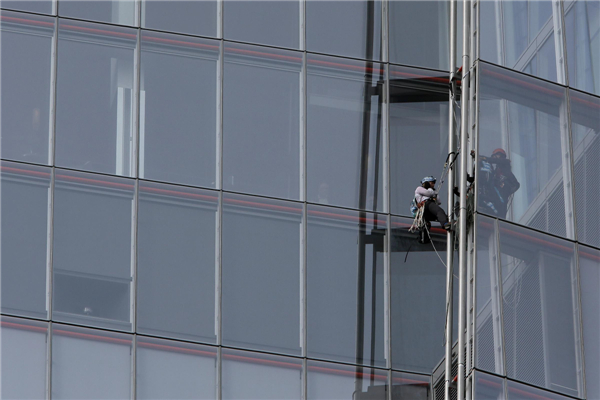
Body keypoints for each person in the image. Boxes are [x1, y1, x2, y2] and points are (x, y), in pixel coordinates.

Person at [479, 148, 520, 218]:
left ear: (501, 156)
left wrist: (484, 158)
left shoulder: (505, 163)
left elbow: (495, 161)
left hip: (505, 188)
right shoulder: (495, 171)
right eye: (494, 156)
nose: (495, 157)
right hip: (500, 190)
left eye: (497, 155)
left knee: (502, 205)